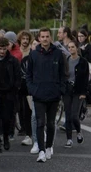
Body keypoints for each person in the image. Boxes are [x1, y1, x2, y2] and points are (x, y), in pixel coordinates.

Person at [26, 28, 66, 163]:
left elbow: (63, 74)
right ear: (39, 38)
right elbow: (29, 74)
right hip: (38, 94)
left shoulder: (58, 54)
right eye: (42, 36)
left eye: (47, 36)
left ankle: (49, 146)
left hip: (53, 94)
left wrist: (60, 89)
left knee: (50, 123)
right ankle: (41, 150)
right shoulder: (34, 54)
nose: (44, 39)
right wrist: (32, 89)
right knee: (39, 122)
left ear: (50, 37)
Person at [0, 37, 23, 150]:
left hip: (8, 93)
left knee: (7, 117)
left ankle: (6, 137)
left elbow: (17, 77)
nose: (2, 51)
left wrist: (14, 89)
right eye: (0, 49)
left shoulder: (13, 61)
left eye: (4, 49)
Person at [62, 39, 89, 147]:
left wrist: (84, 92)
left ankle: (78, 131)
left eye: (73, 47)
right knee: (67, 116)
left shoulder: (83, 62)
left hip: (78, 91)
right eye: (69, 47)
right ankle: (69, 139)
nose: (71, 49)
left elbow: (86, 78)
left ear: (77, 48)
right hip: (67, 90)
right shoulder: (67, 60)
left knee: (74, 116)